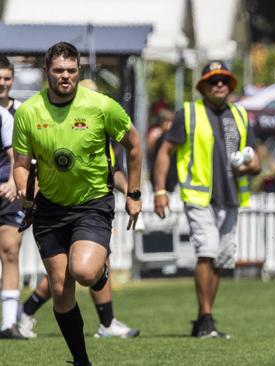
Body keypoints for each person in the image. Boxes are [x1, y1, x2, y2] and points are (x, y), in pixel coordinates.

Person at [12, 42, 142, 365]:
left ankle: (99, 271)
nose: (65, 77)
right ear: (47, 73)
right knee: (60, 289)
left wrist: (134, 193)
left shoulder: (101, 106)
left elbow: (135, 145)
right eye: (58, 71)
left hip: (92, 203)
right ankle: (81, 360)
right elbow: (20, 163)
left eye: (71, 71)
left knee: (83, 270)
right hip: (50, 208)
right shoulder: (28, 112)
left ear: (79, 71)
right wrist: (23, 190)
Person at [153, 60, 261, 338]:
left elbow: (256, 161)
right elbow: (165, 152)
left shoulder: (239, 114)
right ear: (203, 86)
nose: (220, 85)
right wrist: (160, 190)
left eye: (224, 80)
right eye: (213, 81)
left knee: (220, 260)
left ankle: (206, 319)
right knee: (207, 251)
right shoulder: (188, 113)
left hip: (231, 197)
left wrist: (248, 166)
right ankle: (205, 317)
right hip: (199, 196)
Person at [18, 138, 140, 339]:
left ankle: (107, 322)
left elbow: (113, 169)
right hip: (60, 211)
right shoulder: (59, 126)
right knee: (66, 273)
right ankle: (26, 311)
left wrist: (129, 190)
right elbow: (36, 166)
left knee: (90, 264)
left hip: (92, 209)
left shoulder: (101, 130)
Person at [0, 55, 25, 339]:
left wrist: (13, 183)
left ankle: (9, 323)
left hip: (12, 194)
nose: (2, 83)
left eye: (7, 78)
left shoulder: (22, 113)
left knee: (10, 250)